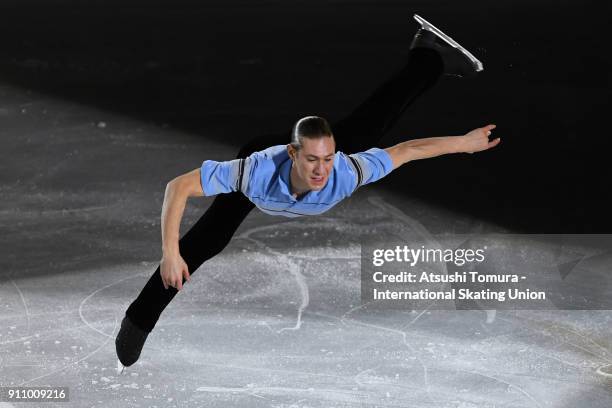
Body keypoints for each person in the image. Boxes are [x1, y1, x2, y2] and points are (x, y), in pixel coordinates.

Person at [115, 14, 500, 372]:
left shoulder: (342, 172)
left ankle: (428, 55)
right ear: (294, 154)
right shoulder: (254, 174)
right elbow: (179, 186)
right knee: (207, 238)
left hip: (312, 148)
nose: (321, 172)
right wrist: (169, 253)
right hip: (266, 159)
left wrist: (463, 143)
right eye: (314, 161)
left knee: (366, 131)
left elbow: (406, 151)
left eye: (328, 160)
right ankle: (138, 320)